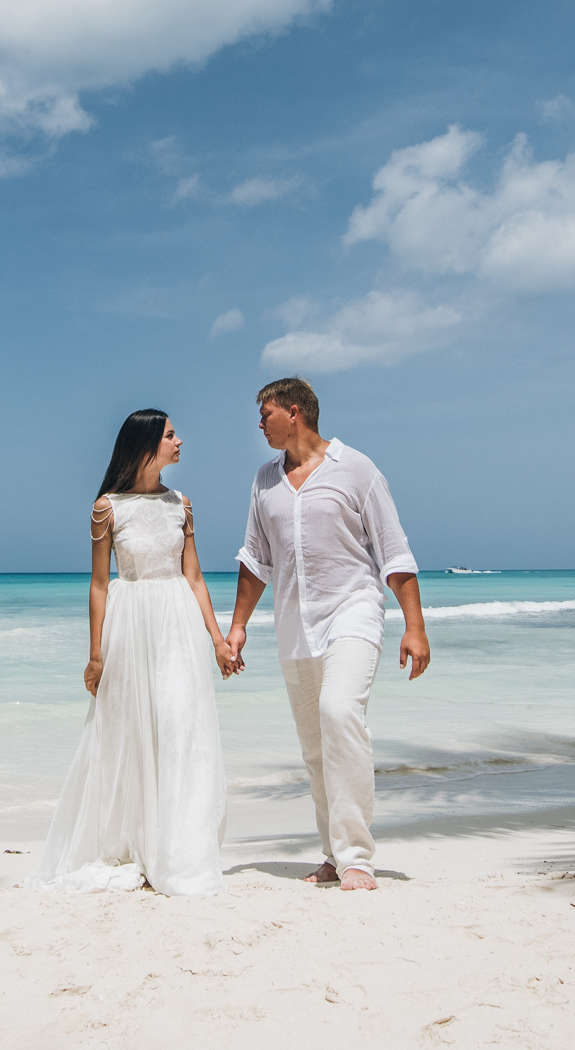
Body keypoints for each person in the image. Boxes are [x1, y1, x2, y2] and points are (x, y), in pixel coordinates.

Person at [225, 377, 430, 892]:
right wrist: (238, 626)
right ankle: (334, 855)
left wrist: (415, 626)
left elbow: (394, 551)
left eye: (265, 413)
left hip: (354, 611)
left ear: (294, 413)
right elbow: (256, 560)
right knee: (315, 749)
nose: (259, 423)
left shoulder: (357, 469)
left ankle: (358, 856)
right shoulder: (264, 481)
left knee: (340, 714)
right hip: (295, 625)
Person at [34, 409, 239, 895]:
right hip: (130, 626)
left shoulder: (182, 504)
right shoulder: (107, 507)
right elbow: (100, 585)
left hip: (177, 625)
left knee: (178, 727)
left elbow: (194, 576)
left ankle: (177, 845)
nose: (180, 441)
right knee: (129, 732)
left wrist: (216, 638)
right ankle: (133, 841)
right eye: (171, 435)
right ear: (147, 444)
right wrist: (95, 654)